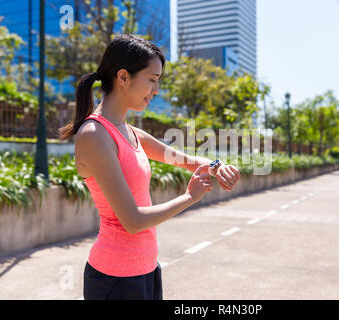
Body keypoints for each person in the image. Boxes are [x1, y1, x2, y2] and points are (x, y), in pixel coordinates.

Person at [59, 34, 240, 300]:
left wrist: (217, 166)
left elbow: (182, 158)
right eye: (152, 80)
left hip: (146, 269)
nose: (156, 90)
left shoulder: (130, 132)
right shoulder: (94, 134)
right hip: (115, 279)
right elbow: (132, 221)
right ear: (123, 77)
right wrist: (189, 198)